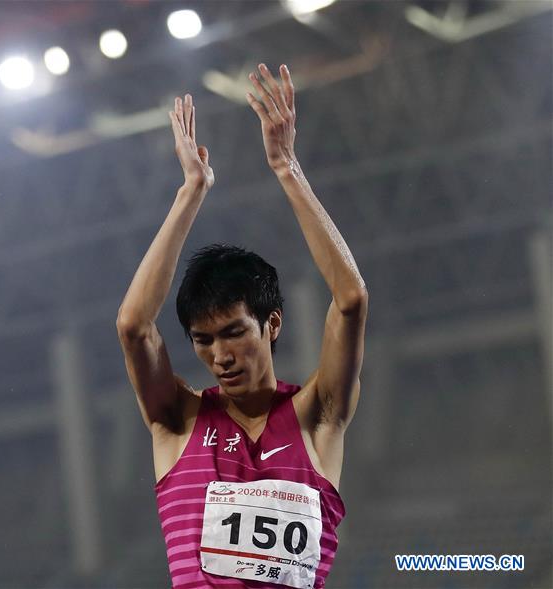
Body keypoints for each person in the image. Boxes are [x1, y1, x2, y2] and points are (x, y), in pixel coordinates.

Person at [116, 64, 367, 588]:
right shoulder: (177, 422)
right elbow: (134, 326)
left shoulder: (317, 418)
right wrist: (191, 189)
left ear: (271, 323)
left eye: (233, 332)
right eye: (203, 341)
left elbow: (350, 300)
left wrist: (286, 166)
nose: (220, 356)